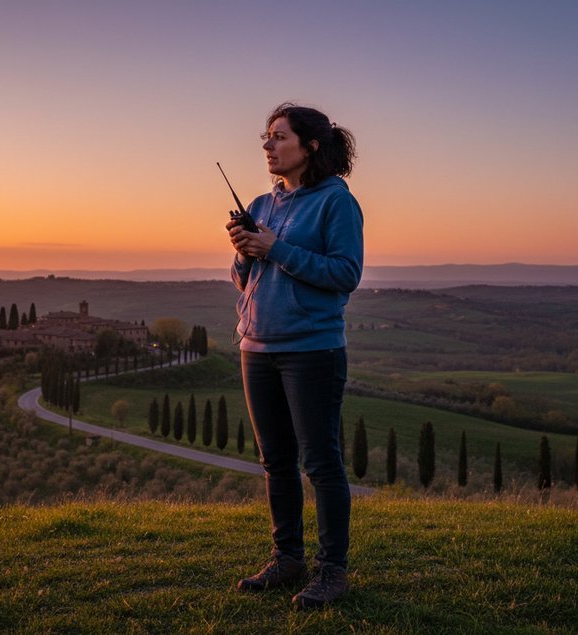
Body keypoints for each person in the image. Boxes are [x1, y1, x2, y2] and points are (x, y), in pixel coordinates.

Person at [226, 102, 363, 609]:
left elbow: (345, 274)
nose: (267, 145)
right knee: (275, 462)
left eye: (279, 137)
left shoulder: (336, 203)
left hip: (312, 350)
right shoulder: (262, 203)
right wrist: (245, 251)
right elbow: (246, 278)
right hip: (256, 348)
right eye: (266, 137)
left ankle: (333, 573)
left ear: (310, 147)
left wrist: (274, 248)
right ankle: (287, 560)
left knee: (321, 463)